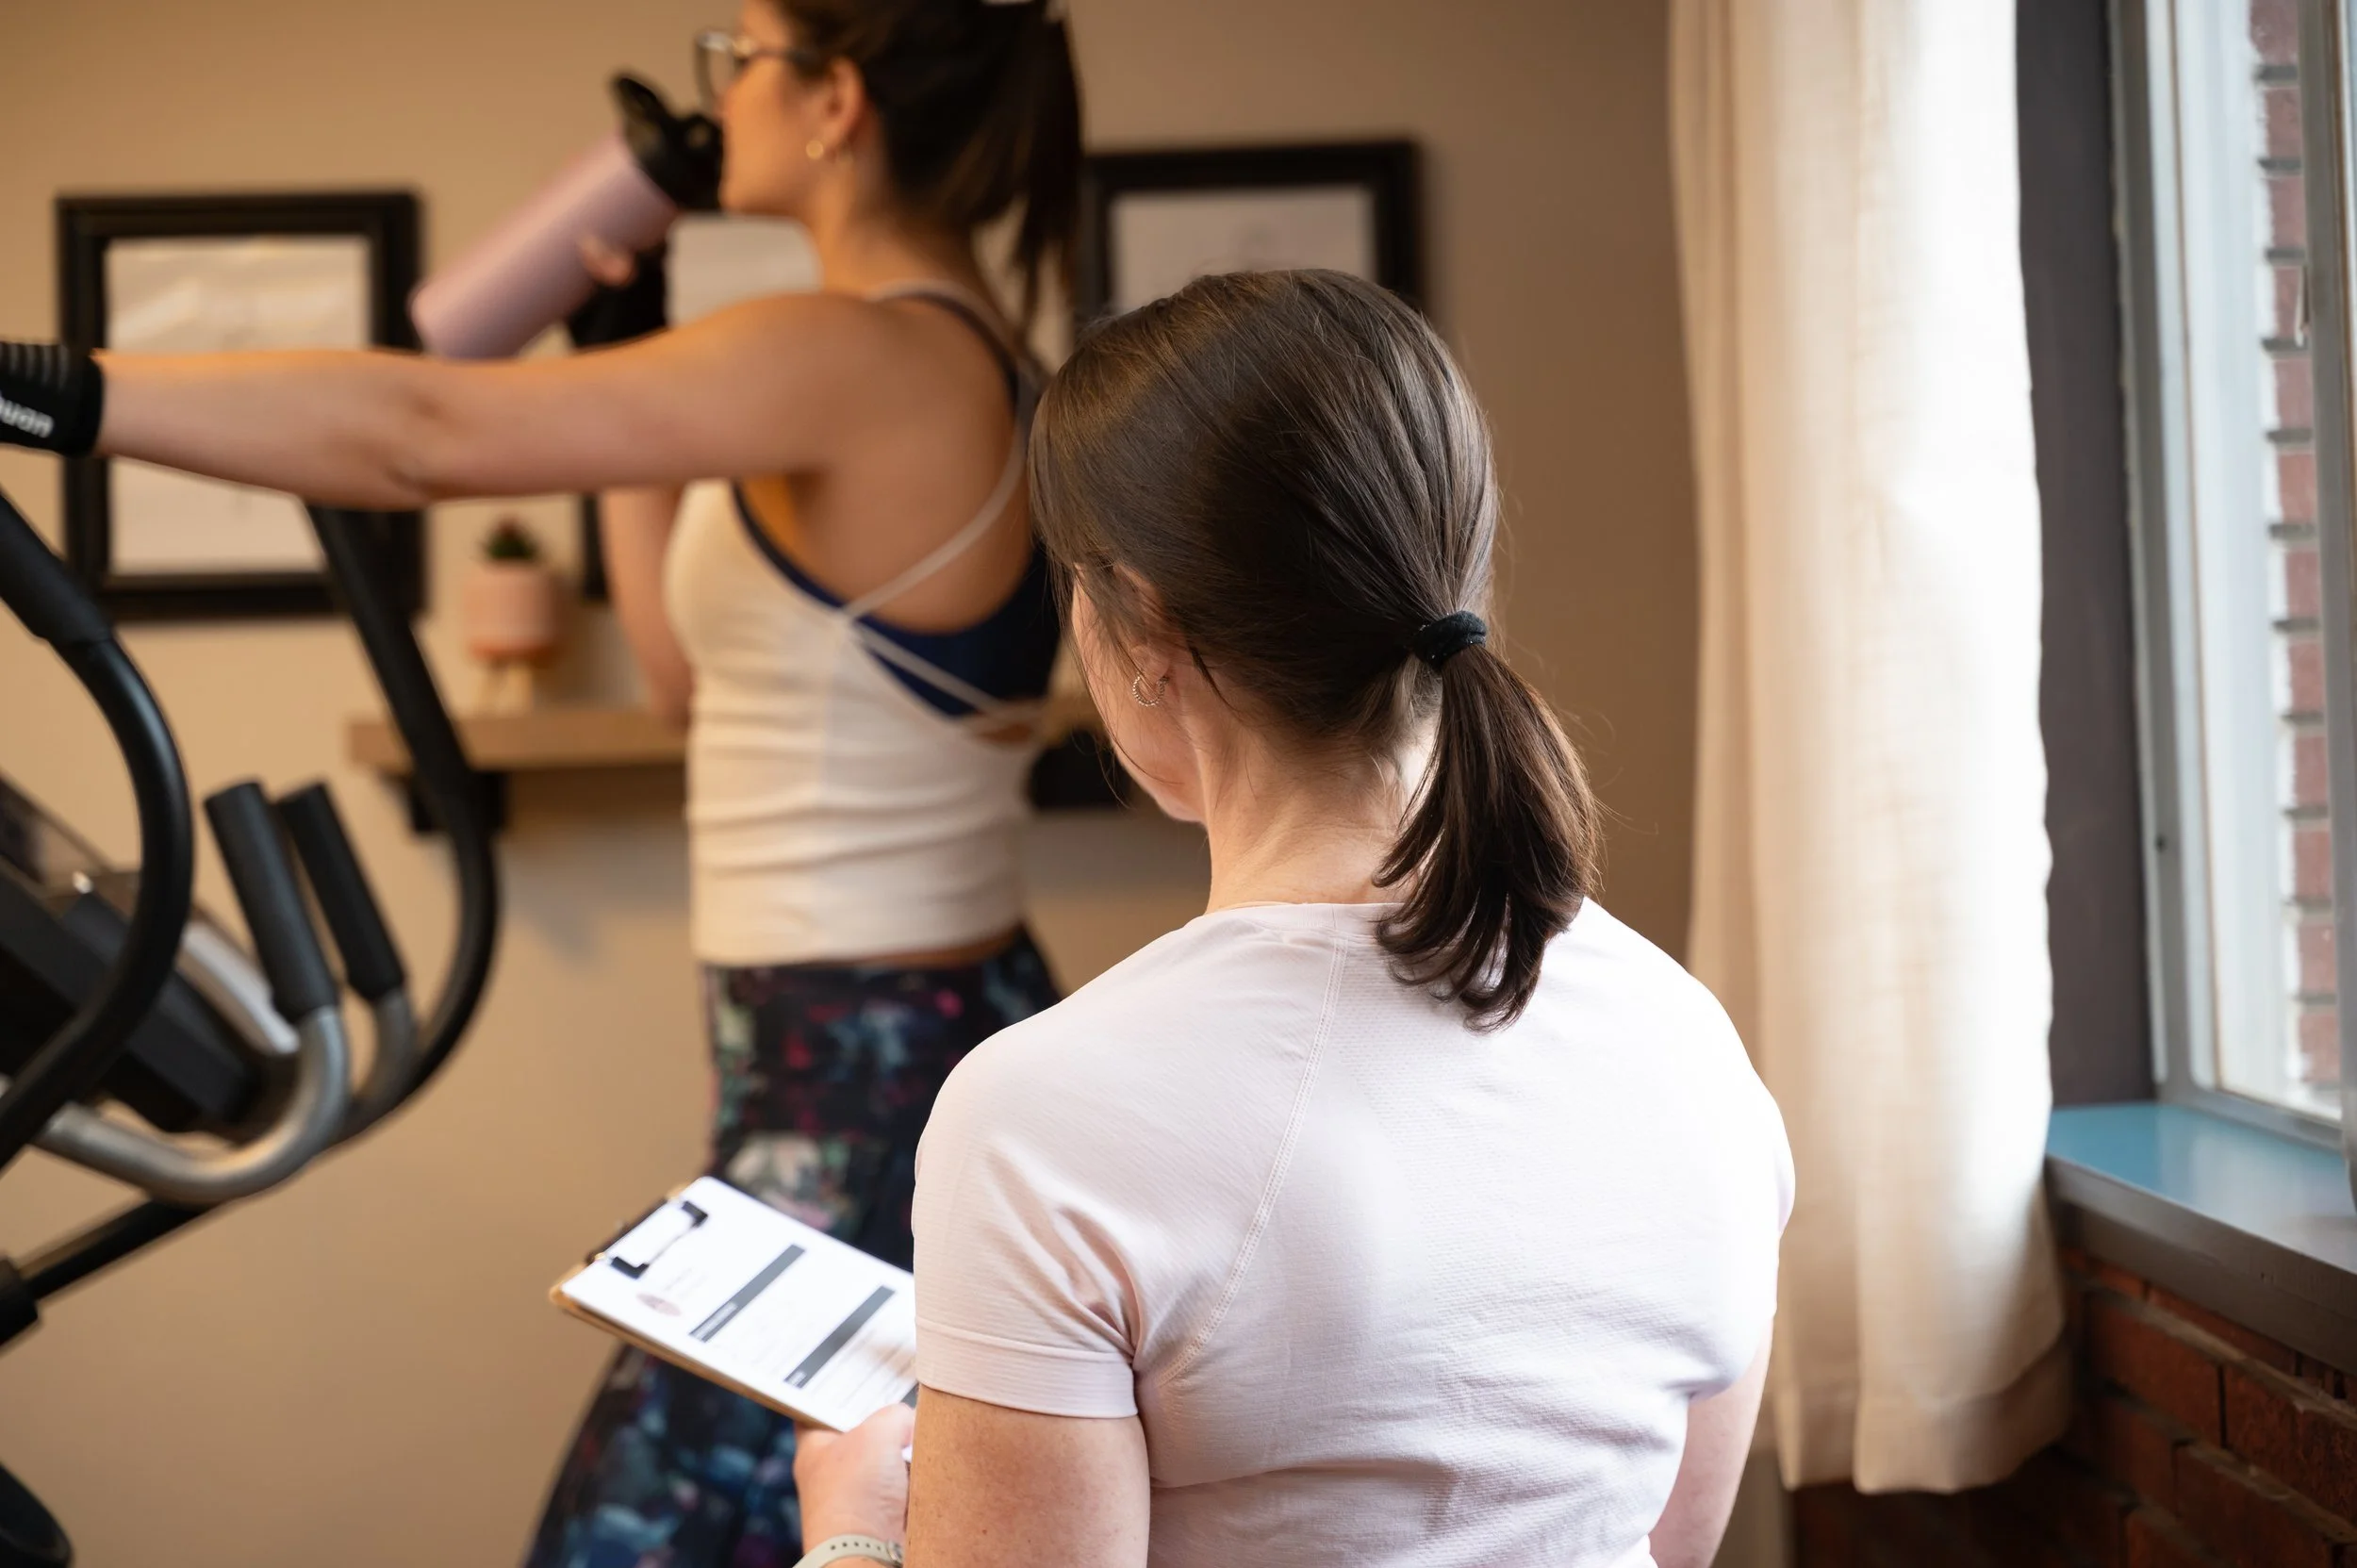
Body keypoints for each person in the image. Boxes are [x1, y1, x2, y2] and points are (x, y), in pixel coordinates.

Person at [0, 2, 1080, 1561]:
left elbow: (423, 432)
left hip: (855, 1084)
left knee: (629, 1533)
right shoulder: (960, 351)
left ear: (836, 101)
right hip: (878, 1043)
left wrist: (54, 389)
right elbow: (680, 677)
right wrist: (622, 353)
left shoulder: (854, 349)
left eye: (747, 56)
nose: (728, 94)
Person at [783, 269, 1795, 1568]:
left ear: (1137, 622)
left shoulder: (1042, 1116)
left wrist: (857, 1534)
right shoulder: (1692, 1049)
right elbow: (1665, 1547)